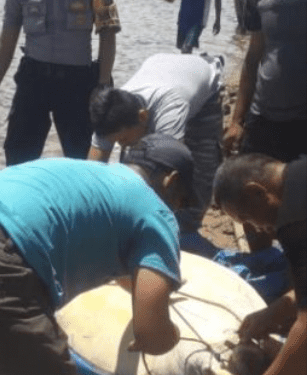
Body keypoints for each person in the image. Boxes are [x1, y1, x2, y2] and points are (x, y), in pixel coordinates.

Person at [0, 133, 195, 375]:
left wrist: (149, 288)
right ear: (170, 181)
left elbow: (127, 278)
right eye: (179, 204)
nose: (175, 212)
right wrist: (173, 334)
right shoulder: (155, 211)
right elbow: (152, 336)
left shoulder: (94, 177)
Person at [88, 52, 223, 234]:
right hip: (161, 67)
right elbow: (92, 172)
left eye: (124, 140)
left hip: (203, 87)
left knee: (200, 173)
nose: (122, 145)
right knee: (134, 164)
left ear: (143, 116)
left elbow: (173, 171)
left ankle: (188, 231)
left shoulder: (171, 108)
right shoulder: (110, 113)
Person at [0, 0, 121, 166]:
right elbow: (7, 35)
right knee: (18, 156)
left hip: (77, 82)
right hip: (34, 77)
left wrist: (103, 84)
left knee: (83, 158)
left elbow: (108, 33)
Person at [221, 0, 307, 251]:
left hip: (303, 119)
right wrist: (237, 120)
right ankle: (262, 258)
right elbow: (253, 55)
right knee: (247, 189)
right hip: (263, 112)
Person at [212, 153, 307, 375]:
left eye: (247, 217)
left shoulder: (295, 222)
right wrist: (279, 309)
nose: (257, 228)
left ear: (257, 192)